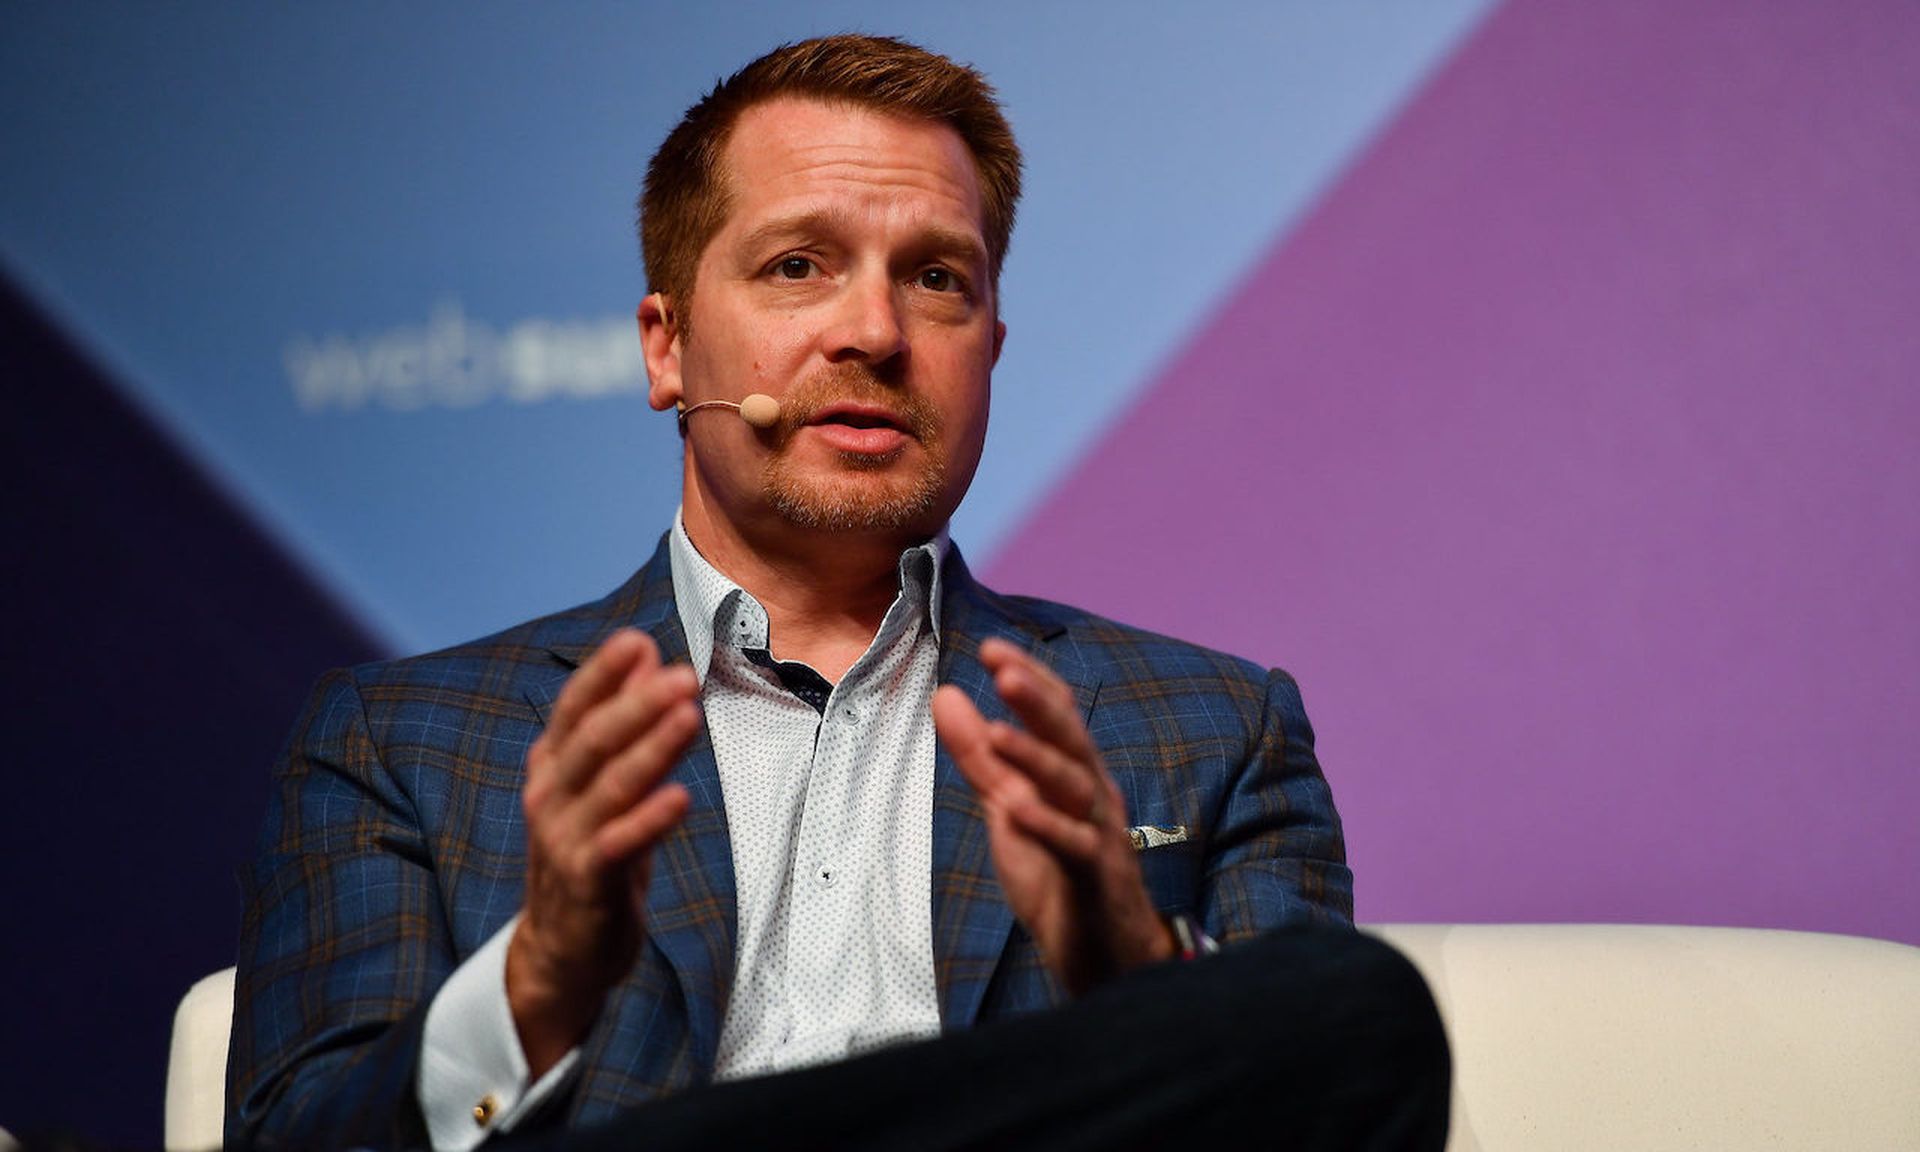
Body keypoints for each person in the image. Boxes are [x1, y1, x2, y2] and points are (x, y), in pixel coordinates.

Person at [227, 34, 1447, 1152]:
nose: (875, 328)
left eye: (937, 279)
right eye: (800, 265)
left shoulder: (1215, 732)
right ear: (667, 348)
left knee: (1364, 1010)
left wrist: (1141, 975)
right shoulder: (401, 744)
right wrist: (536, 983)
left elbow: (1335, 1111)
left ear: (991, 353)